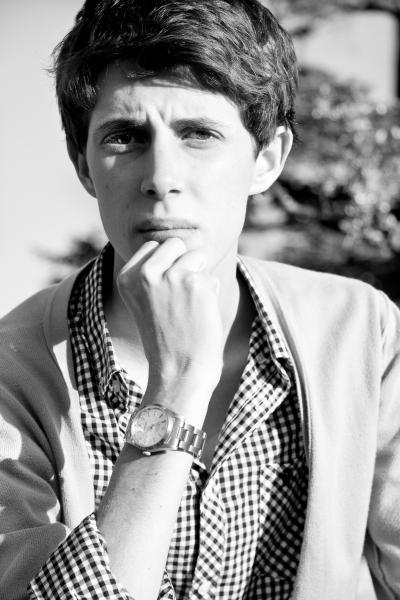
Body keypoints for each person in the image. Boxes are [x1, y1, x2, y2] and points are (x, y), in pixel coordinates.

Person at [0, 0, 399, 598]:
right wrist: (178, 383)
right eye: (125, 137)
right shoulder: (11, 374)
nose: (161, 177)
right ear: (84, 165)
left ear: (267, 158)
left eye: (199, 134)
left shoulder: (364, 329)